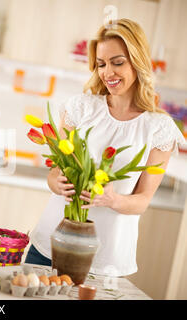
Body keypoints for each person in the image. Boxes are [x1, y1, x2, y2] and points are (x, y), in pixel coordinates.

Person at [25, 19, 186, 277]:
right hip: (51, 245)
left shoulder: (159, 127)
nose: (107, 72)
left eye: (117, 62)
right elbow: (54, 174)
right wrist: (58, 182)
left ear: (138, 61)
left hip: (104, 258)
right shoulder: (82, 107)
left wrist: (114, 200)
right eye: (101, 64)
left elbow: (143, 200)